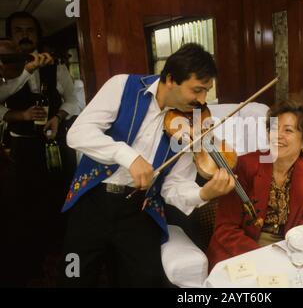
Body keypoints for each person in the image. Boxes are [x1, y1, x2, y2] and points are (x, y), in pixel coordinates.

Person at [59, 43, 235, 287]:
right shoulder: (122, 86)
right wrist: (128, 156)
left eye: (206, 91)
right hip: (93, 201)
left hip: (139, 208)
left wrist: (203, 193)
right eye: (197, 90)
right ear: (171, 79)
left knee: (146, 280)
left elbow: (173, 185)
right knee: (74, 276)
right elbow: (77, 133)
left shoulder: (190, 124)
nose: (202, 100)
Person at [0, 12, 80, 286]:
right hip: (22, 147)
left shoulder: (56, 67)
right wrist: (26, 75)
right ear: (10, 36)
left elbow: (73, 101)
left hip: (55, 141)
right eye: (18, 30)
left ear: (37, 35)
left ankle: (61, 257)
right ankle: (30, 263)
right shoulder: (4, 70)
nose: (25, 35)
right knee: (24, 203)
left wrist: (58, 117)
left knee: (60, 195)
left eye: (30, 31)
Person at [207, 100, 303, 270]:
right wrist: (263, 257)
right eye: (275, 128)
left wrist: (299, 249)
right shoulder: (245, 165)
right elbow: (225, 229)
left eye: (288, 130)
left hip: (287, 248)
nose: (278, 135)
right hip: (240, 249)